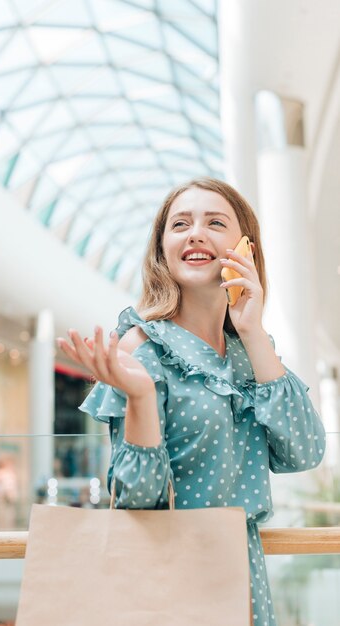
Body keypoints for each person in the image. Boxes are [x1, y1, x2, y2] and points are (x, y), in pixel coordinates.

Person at [57, 177, 326, 626]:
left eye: (215, 222)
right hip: (166, 581)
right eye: (179, 224)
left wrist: (254, 330)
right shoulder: (141, 347)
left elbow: (305, 451)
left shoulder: (249, 352)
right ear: (162, 249)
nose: (195, 233)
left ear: (246, 249)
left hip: (242, 576)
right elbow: (137, 501)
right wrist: (140, 396)